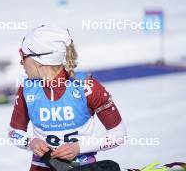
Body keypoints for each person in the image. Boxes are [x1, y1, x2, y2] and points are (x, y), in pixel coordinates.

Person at [8, 25, 127, 171]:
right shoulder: (26, 88)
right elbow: (14, 132)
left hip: (82, 167)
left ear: (39, 59)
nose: (21, 62)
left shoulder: (87, 87)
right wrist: (30, 142)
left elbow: (118, 134)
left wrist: (79, 148)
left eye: (22, 55)